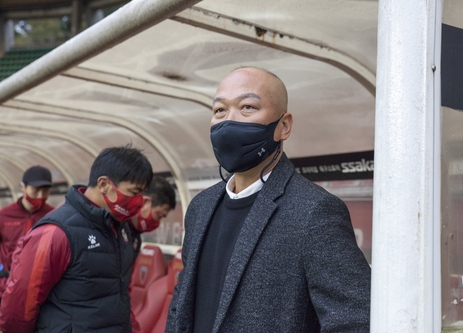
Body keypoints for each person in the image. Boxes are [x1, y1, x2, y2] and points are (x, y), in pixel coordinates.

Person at [165, 67, 371, 333]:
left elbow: (355, 319)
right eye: (219, 110)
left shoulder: (314, 211)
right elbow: (183, 301)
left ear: (283, 126)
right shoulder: (200, 207)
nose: (229, 122)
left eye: (248, 107)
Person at [0, 146, 153, 333]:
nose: (138, 200)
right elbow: (21, 305)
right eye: (134, 192)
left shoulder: (121, 229)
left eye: (142, 193)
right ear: (104, 184)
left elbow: (119, 295)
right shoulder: (56, 231)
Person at [0, 165, 54, 298]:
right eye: (35, 190)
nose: (40, 196)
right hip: (5, 285)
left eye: (45, 191)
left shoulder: (53, 215)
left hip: (39, 286)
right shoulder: (4, 215)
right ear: (22, 187)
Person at [128, 175, 177, 259]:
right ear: (144, 202)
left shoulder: (135, 239)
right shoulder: (114, 228)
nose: (157, 224)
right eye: (159, 215)